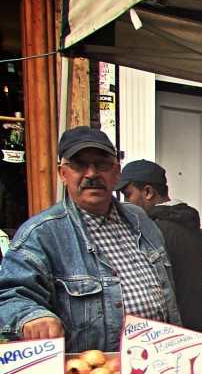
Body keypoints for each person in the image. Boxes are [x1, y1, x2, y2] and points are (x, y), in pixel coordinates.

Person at [0, 126, 180, 352]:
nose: (92, 174)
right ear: (63, 174)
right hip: (95, 371)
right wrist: (31, 315)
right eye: (79, 164)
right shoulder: (40, 234)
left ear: (116, 173)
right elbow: (10, 295)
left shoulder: (140, 219)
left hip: (160, 362)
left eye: (102, 164)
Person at [115, 159, 202, 333]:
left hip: (172, 332)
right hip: (195, 326)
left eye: (128, 195)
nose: (125, 202)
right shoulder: (185, 221)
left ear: (148, 192)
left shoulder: (155, 230)